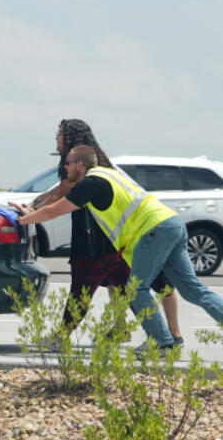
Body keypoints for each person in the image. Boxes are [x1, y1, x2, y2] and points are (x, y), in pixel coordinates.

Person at [17, 144, 223, 351]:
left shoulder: (90, 183)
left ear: (80, 165)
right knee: (193, 290)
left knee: (136, 289)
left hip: (153, 230)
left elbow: (54, 211)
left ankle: (162, 343)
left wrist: (25, 219)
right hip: (171, 222)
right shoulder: (108, 174)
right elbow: (55, 197)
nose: (64, 167)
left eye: (68, 163)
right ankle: (166, 340)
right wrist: (32, 209)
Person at [21, 119, 181, 344]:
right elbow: (59, 189)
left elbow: (61, 193)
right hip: (111, 239)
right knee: (126, 288)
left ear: (71, 140)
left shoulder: (83, 169)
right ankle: (143, 333)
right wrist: (33, 205)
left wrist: (30, 210)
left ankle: (61, 337)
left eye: (59, 133)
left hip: (95, 239)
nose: (56, 137)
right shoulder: (89, 163)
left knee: (83, 289)